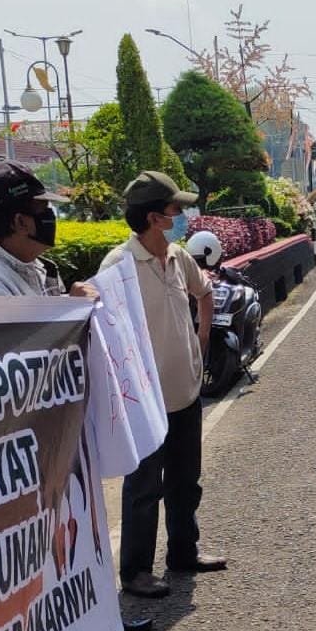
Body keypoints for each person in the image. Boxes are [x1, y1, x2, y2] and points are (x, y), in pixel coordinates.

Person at [0, 160, 152, 631]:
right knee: (44, 557)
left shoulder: (27, 269)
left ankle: (99, 626)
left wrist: (70, 306)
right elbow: (11, 376)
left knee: (82, 536)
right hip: (22, 450)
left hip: (58, 437)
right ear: (19, 220)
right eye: (42, 210)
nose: (50, 219)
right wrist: (68, 316)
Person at [100, 171, 224, 598]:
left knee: (186, 480)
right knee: (144, 487)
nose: (182, 217)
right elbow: (102, 329)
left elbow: (204, 292)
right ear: (154, 217)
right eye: (176, 210)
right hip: (144, 402)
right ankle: (136, 571)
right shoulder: (118, 266)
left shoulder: (178, 257)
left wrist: (201, 339)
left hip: (185, 391)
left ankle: (184, 552)